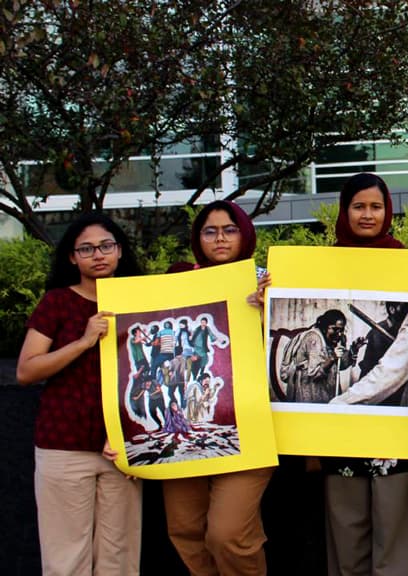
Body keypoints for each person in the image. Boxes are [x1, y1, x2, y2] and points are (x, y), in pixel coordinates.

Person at [312, 173, 408, 576]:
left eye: (376, 206)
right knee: (347, 537)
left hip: (394, 427)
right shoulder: (318, 270)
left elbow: (395, 367)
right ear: (345, 212)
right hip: (342, 431)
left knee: (396, 545)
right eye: (359, 206)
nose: (367, 215)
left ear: (388, 213)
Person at [16, 211, 143, 575]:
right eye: (86, 249)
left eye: (106, 246)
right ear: (72, 257)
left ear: (119, 250)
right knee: (66, 558)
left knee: (119, 558)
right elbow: (26, 370)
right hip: (64, 446)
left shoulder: (141, 300)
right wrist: (83, 341)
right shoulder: (57, 302)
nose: (97, 254)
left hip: (123, 447)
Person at [162, 199, 276, 575]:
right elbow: (158, 344)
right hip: (185, 425)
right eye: (210, 231)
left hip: (249, 423)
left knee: (228, 534)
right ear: (198, 239)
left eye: (230, 229)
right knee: (185, 528)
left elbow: (287, 350)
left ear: (245, 233)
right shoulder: (176, 280)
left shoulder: (268, 281)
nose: (220, 238)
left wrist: (267, 312)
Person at [280, 309, 357, 403]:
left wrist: (354, 349)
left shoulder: (332, 338)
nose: (339, 333)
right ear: (325, 327)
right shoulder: (313, 339)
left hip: (324, 391)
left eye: (341, 330)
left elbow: (340, 365)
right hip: (309, 392)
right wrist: (332, 357)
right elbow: (315, 374)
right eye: (335, 329)